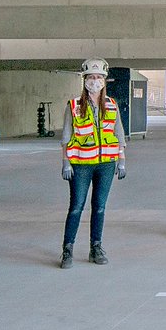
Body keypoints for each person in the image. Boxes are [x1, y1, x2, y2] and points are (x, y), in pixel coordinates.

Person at [59, 58, 126, 268]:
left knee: (99, 207)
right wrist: (65, 162)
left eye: (98, 77)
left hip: (106, 164)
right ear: (84, 80)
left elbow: (119, 133)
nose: (94, 81)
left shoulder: (111, 105)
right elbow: (66, 136)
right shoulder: (74, 105)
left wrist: (122, 161)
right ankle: (67, 250)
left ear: (104, 81)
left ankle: (95, 247)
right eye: (91, 77)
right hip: (81, 165)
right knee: (77, 207)